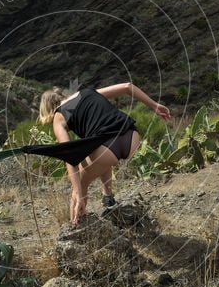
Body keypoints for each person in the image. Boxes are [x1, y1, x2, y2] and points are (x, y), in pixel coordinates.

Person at [31, 82, 171, 225]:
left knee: (80, 183)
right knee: (98, 152)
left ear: (47, 109)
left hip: (107, 148)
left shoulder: (58, 116)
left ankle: (76, 229)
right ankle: (108, 197)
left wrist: (78, 192)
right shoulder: (87, 91)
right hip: (131, 137)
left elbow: (69, 154)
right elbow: (127, 87)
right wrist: (154, 105)